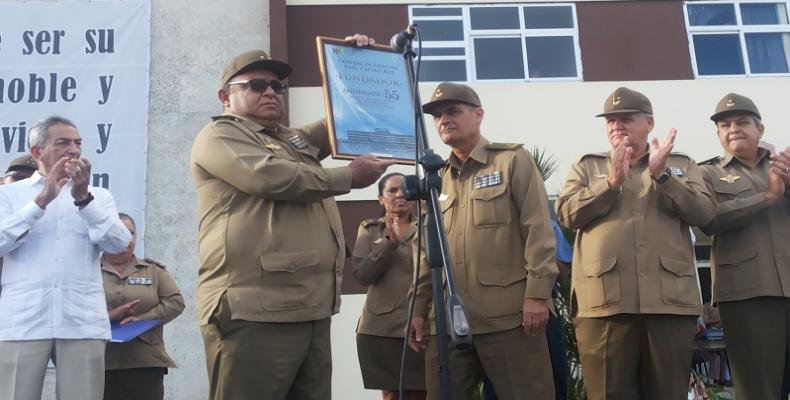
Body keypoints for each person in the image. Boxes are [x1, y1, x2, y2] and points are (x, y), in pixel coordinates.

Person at [191, 34, 394, 400]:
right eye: (256, 84)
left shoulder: (289, 139)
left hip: (308, 308)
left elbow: (343, 121)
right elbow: (270, 176)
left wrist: (348, 63)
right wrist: (349, 177)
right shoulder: (219, 135)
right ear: (225, 97)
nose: (270, 92)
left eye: (277, 85)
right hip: (255, 310)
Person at [555, 87, 714, 400]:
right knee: (607, 393)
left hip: (668, 302)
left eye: (625, 119)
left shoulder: (681, 164)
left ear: (649, 123)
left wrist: (662, 175)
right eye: (610, 121)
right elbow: (566, 214)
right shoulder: (587, 166)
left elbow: (704, 212)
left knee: (668, 393)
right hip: (604, 305)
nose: (616, 126)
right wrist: (610, 182)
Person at [408, 82, 559, 400]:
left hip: (509, 318)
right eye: (437, 115)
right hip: (447, 322)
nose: (443, 120)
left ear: (478, 115)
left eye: (453, 111)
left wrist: (537, 296)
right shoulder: (437, 178)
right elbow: (427, 253)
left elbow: (539, 232)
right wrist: (419, 310)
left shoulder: (510, 161)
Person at [0, 116, 132, 400]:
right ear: (37, 152)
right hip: (23, 319)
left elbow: (119, 244)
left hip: (81, 320)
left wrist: (84, 198)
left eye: (78, 143)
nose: (73, 149)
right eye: (63, 143)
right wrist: (41, 201)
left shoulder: (99, 196)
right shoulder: (9, 195)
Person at [698, 93, 790, 400]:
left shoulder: (784, 166)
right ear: (719, 133)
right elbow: (708, 218)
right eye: (725, 124)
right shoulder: (707, 173)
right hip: (747, 293)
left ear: (760, 129)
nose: (734, 128)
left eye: (742, 121)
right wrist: (768, 197)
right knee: (758, 389)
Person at [353, 173, 426, 400]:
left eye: (405, 190)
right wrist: (389, 243)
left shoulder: (429, 227)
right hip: (383, 329)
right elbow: (363, 275)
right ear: (380, 199)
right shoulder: (370, 230)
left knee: (429, 391)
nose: (400, 195)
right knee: (394, 394)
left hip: (423, 326)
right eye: (392, 191)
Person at [101, 213, 185, 400]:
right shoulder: (89, 270)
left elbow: (175, 302)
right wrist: (107, 316)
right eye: (120, 232)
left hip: (145, 362)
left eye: (131, 232)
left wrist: (141, 319)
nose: (127, 238)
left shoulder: (153, 270)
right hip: (100, 361)